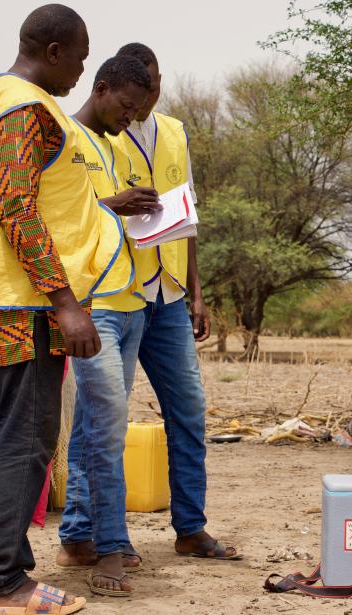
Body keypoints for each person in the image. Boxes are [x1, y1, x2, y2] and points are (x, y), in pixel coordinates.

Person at [0, 4, 132, 612]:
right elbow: (16, 208)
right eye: (79, 55)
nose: (81, 67)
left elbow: (42, 198)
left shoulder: (6, 100)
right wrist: (65, 302)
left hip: (11, 294)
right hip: (24, 299)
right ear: (53, 52)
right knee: (27, 436)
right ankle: (2, 580)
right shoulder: (22, 106)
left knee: (2, 433)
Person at [113, 42, 238, 560]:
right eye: (144, 83)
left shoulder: (175, 132)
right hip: (118, 294)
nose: (152, 92)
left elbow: (187, 217)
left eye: (158, 82)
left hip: (169, 296)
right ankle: (92, 536)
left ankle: (191, 528)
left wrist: (198, 293)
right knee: (105, 419)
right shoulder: (100, 131)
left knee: (188, 411)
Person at [55, 55, 161, 598]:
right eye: (125, 106)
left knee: (96, 424)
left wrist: (144, 210)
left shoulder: (120, 146)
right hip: (90, 303)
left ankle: (76, 534)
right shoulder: (65, 138)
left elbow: (107, 219)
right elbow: (54, 217)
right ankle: (112, 544)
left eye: (139, 110)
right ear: (100, 90)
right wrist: (112, 204)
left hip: (130, 301)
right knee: (110, 426)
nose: (131, 117)